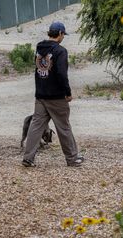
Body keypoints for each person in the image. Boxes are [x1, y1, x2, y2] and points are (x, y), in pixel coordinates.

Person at [22, 21, 83, 167]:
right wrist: (67, 93)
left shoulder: (39, 47)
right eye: (63, 35)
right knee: (63, 127)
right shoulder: (60, 51)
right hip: (56, 96)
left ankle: (28, 158)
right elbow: (62, 74)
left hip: (41, 95)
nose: (63, 37)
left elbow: (39, 69)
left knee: (36, 127)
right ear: (60, 33)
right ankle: (72, 159)